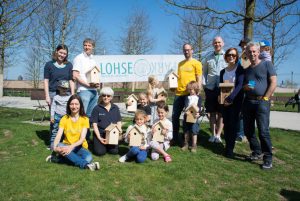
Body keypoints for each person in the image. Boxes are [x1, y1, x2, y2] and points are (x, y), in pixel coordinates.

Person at [243, 42, 277, 170]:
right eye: (249, 52)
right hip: (248, 102)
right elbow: (244, 86)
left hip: (262, 101)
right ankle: (256, 151)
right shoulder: (247, 70)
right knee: (248, 130)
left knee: (263, 131)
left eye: (254, 51)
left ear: (258, 52)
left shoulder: (267, 64)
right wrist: (245, 87)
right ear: (246, 53)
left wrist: (266, 98)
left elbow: (273, 82)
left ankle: (268, 158)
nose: (251, 54)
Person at [46, 95, 100, 171]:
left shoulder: (85, 119)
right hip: (65, 144)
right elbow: (58, 135)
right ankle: (86, 165)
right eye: (72, 104)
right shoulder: (64, 118)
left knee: (89, 157)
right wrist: (54, 148)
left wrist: (70, 147)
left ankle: (58, 159)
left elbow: (82, 139)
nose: (74, 106)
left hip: (79, 147)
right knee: (61, 146)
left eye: (76, 104)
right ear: (68, 105)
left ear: (80, 105)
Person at [172, 43, 202, 146]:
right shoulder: (180, 64)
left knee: (190, 117)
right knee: (175, 116)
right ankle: (175, 138)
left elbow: (199, 78)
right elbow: (178, 78)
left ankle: (190, 140)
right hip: (179, 93)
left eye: (188, 50)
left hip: (190, 95)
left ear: (192, 50)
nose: (186, 51)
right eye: (184, 50)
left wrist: (198, 91)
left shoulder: (197, 63)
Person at [219, 48, 245, 158]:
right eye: (229, 55)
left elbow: (239, 85)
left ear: (236, 57)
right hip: (224, 102)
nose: (231, 57)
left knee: (233, 125)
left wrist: (231, 99)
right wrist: (219, 97)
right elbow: (220, 86)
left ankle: (230, 149)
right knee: (226, 124)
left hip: (235, 102)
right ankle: (227, 145)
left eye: (234, 55)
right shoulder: (222, 72)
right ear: (226, 57)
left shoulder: (240, 69)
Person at [72, 38, 100, 141]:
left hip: (93, 92)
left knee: (89, 117)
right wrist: (88, 85)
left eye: (89, 45)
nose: (87, 47)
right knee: (81, 116)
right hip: (84, 91)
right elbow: (75, 75)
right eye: (85, 45)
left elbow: (95, 75)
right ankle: (77, 138)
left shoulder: (93, 60)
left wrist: (96, 85)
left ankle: (86, 138)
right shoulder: (78, 58)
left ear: (93, 47)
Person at [202, 36, 227, 143]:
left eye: (219, 42)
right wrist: (204, 86)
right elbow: (204, 73)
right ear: (213, 44)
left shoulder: (228, 56)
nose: (217, 44)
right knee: (211, 112)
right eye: (215, 42)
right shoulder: (208, 58)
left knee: (221, 113)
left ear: (223, 43)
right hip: (211, 89)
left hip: (223, 89)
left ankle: (218, 135)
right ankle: (212, 134)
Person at [91, 87, 122, 156]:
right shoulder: (97, 108)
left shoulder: (115, 108)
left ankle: (108, 146)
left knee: (114, 151)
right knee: (100, 152)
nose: (106, 97)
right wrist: (99, 137)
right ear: (101, 96)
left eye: (108, 96)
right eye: (104, 95)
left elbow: (119, 122)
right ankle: (97, 143)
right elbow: (94, 125)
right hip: (100, 134)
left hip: (112, 134)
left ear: (111, 97)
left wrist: (119, 133)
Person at [49, 80, 71, 150]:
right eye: (62, 88)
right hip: (57, 116)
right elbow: (53, 107)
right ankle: (52, 145)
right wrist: (52, 116)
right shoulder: (56, 97)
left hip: (66, 117)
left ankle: (64, 144)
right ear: (59, 88)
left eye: (66, 88)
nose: (64, 90)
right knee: (55, 130)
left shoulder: (69, 97)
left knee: (66, 131)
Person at [181, 81, 202, 153]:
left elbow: (199, 107)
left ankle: (194, 145)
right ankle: (186, 144)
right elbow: (186, 106)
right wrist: (186, 111)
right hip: (187, 116)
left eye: (191, 89)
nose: (190, 91)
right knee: (186, 131)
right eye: (189, 89)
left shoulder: (198, 97)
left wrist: (198, 113)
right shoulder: (187, 97)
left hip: (195, 117)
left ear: (196, 89)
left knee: (194, 131)